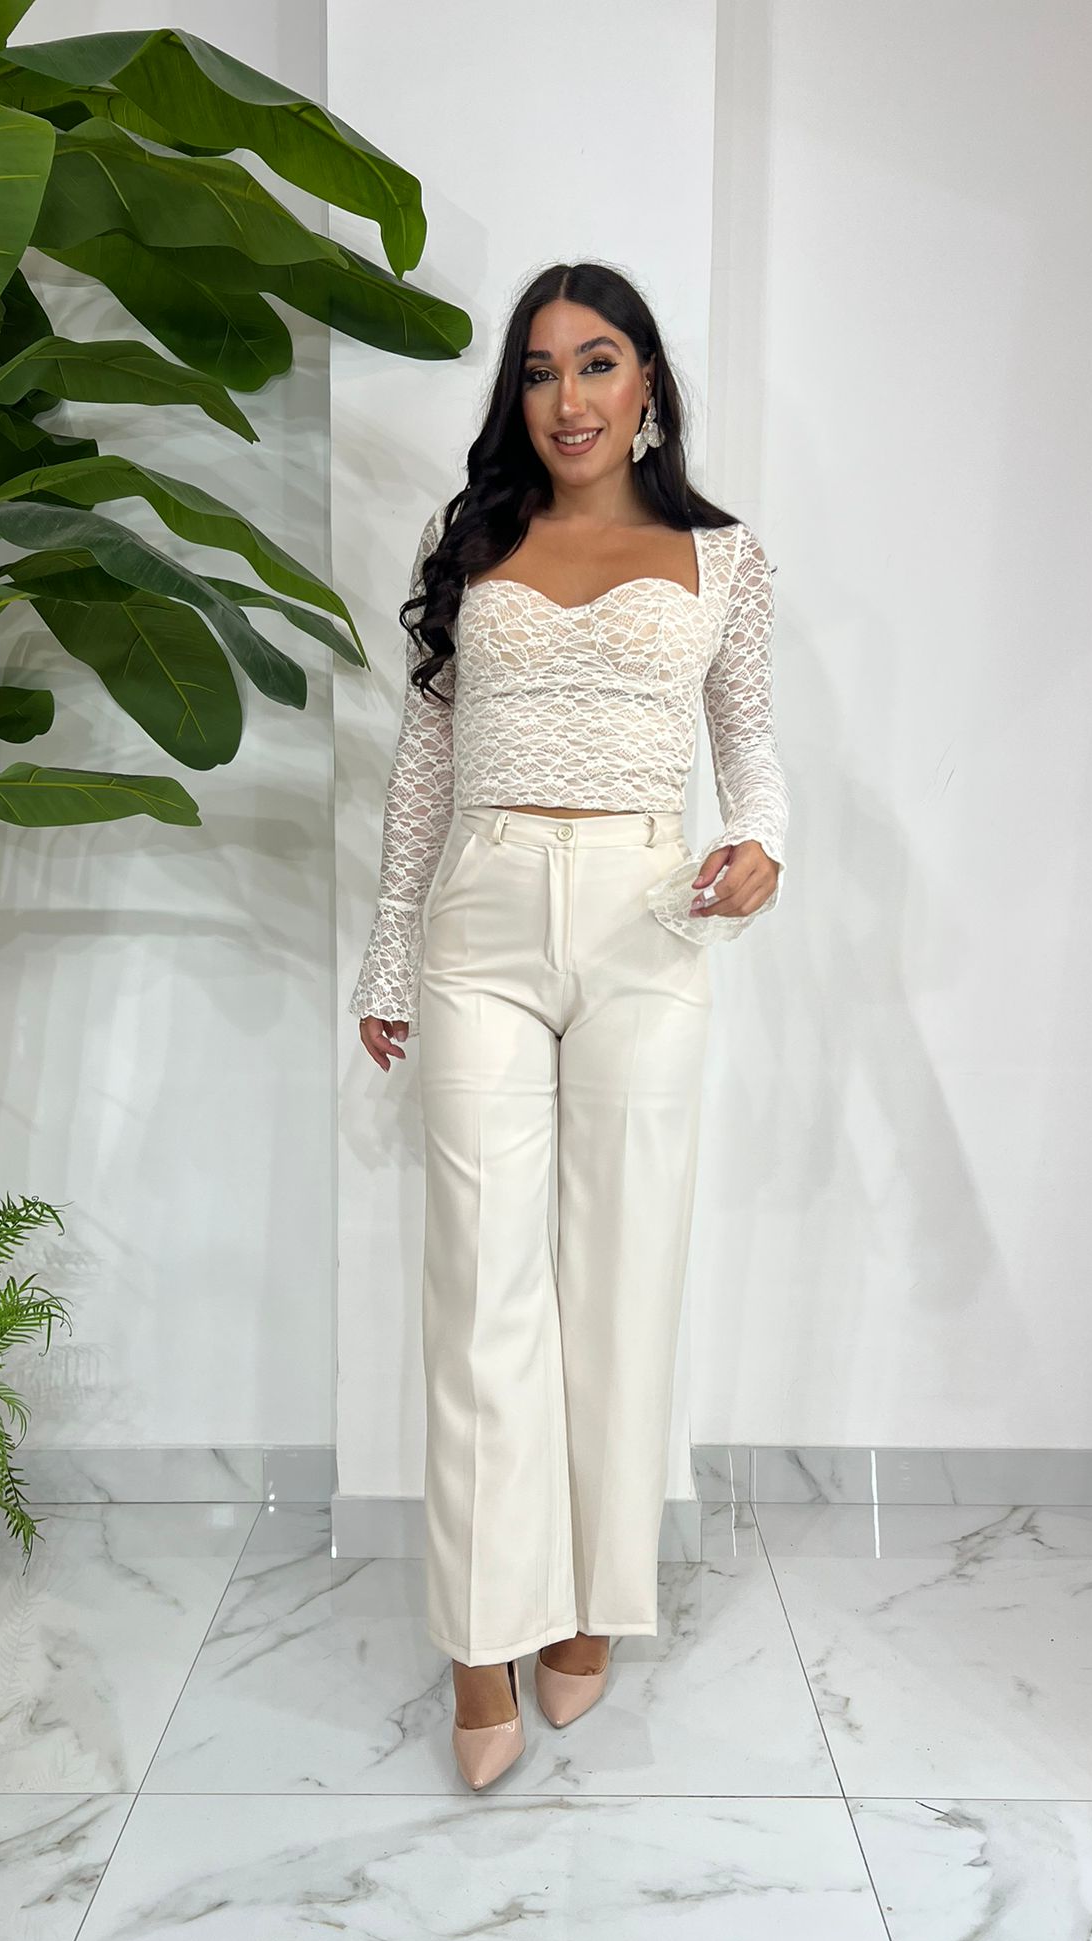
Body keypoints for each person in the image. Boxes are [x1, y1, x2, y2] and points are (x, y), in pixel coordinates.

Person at [349, 261, 788, 1789]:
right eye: (539, 372)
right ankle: (481, 1640)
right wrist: (387, 960)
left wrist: (765, 845)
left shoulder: (721, 559)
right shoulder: (471, 538)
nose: (569, 398)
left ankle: (594, 1604)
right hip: (480, 923)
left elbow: (749, 739)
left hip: (647, 924)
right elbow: (424, 765)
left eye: (597, 364)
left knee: (621, 1278)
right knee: (480, 1287)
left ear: (648, 380)